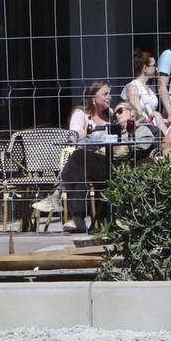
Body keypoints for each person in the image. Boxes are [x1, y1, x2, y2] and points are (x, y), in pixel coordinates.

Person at [63, 82, 116, 232]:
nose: (109, 97)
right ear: (93, 97)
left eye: (109, 94)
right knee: (80, 161)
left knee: (77, 163)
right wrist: (92, 132)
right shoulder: (81, 114)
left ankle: (77, 217)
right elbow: (73, 135)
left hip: (108, 160)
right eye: (105, 94)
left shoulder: (111, 114)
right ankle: (85, 218)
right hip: (88, 160)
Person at [125, 49, 171, 134]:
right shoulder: (133, 87)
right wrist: (156, 117)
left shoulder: (151, 88)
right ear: (145, 68)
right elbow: (138, 114)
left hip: (154, 125)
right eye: (154, 66)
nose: (156, 68)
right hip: (143, 128)